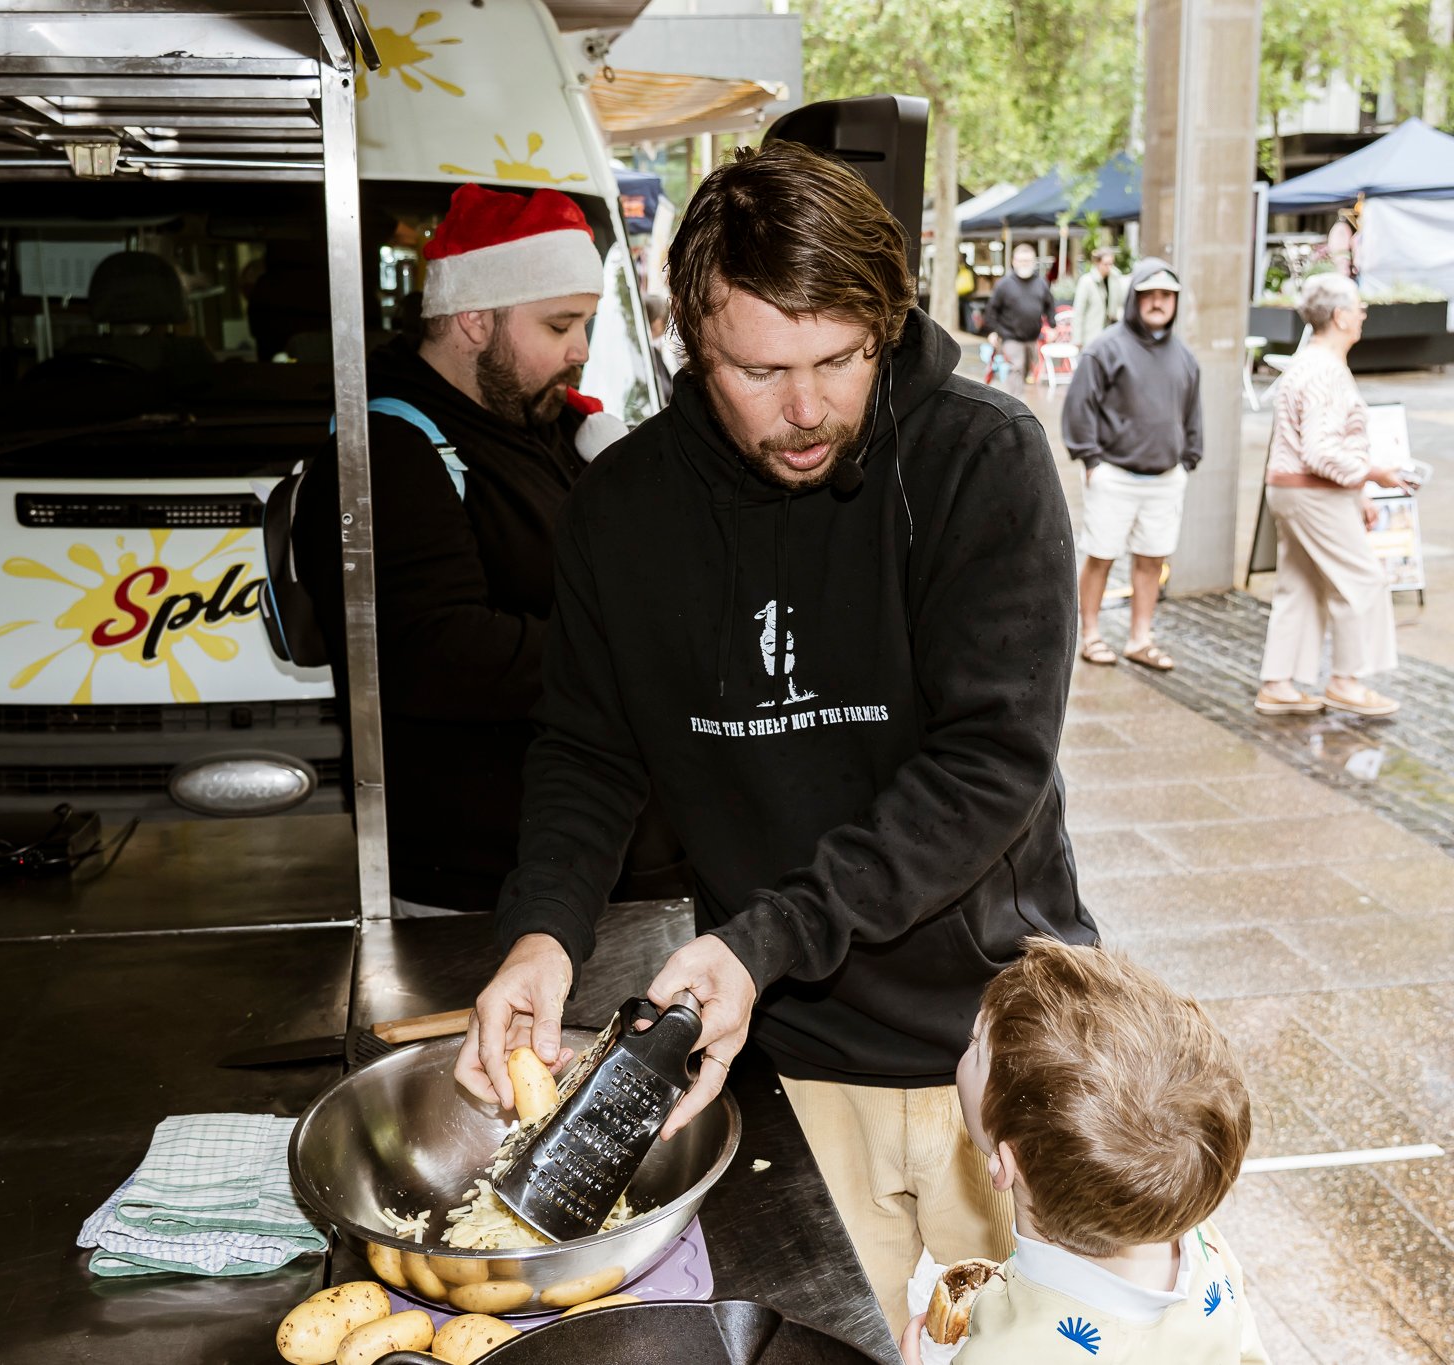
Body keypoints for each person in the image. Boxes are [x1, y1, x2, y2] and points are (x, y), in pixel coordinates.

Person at [452, 142, 1093, 1337]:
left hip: (993, 1046)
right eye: (757, 370)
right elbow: (587, 750)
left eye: (840, 360)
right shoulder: (624, 508)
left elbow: (988, 763)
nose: (805, 411)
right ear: (689, 343)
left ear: (885, 326)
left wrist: (764, 937)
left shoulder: (979, 460)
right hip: (781, 1056)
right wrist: (541, 931)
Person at [292, 183, 630, 914]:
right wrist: (633, 652)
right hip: (470, 888)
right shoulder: (384, 454)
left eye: (587, 325)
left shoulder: (538, 427)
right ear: (475, 319)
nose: (580, 350)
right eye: (560, 324)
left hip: (572, 865)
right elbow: (435, 649)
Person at [899, 938, 1268, 1364]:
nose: (973, 1031)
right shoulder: (1207, 1250)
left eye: (977, 1044)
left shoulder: (1006, 1353)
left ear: (1005, 1165)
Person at [1255, 274, 1416, 718]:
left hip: (1294, 492)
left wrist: (1357, 489)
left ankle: (1278, 683)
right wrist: (1372, 474)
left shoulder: (1308, 364)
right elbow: (1321, 450)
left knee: (1299, 586)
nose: (1363, 314)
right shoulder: (1325, 369)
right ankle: (1347, 680)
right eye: (1359, 308)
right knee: (1363, 581)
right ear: (1340, 316)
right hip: (1314, 493)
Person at [1061, 259, 1201, 672]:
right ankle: (1090, 635)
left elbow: (1193, 413)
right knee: (1101, 555)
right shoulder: (1105, 348)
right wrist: (1092, 461)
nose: (1158, 303)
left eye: (1166, 296)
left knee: (1152, 558)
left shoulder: (1184, 357)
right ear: (1135, 298)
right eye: (1150, 294)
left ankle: (1141, 639)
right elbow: (1078, 407)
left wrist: (1188, 459)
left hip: (1165, 479)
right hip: (1115, 477)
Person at [984, 243, 1054, 398]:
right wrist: (992, 332)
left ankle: (1016, 399)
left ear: (1034, 262)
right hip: (1010, 336)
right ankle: (1015, 404)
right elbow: (991, 310)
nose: (1024, 264)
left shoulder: (1041, 283)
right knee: (1017, 367)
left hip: (1032, 337)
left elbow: (1049, 305)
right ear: (1014, 262)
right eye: (1021, 260)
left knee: (1026, 370)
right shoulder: (1004, 284)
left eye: (1028, 260)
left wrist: (1052, 326)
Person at [1070, 246, 1127, 352]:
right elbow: (1079, 311)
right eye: (1106, 264)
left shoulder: (1115, 280)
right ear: (1097, 263)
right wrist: (1077, 339)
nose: (1109, 267)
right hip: (1092, 333)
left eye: (1111, 263)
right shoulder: (1086, 281)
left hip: (1111, 332)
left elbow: (1120, 302)